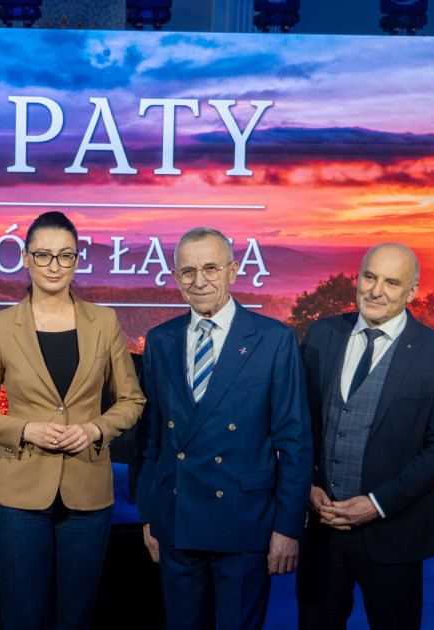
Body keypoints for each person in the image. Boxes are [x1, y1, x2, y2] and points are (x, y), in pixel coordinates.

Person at [0, 211, 145, 630]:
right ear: (26, 259)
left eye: (65, 256)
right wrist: (25, 429)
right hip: (18, 494)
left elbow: (131, 400)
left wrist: (94, 429)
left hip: (87, 491)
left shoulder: (104, 322)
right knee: (21, 616)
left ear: (77, 261)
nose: (53, 265)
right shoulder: (0, 326)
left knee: (76, 616)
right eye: (43, 255)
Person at [136, 227, 311, 630]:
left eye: (211, 269)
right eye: (187, 271)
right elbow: (150, 438)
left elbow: (294, 443)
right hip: (176, 522)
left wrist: (287, 528)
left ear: (233, 271)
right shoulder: (160, 340)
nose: (199, 282)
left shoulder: (274, 339)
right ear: (175, 277)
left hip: (245, 522)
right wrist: (150, 516)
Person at [296, 243, 434, 629]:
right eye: (369, 277)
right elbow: (300, 424)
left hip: (393, 533)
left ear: (411, 293)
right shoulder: (322, 334)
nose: (376, 291)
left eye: (392, 282)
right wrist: (306, 485)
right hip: (321, 527)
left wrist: (376, 504)